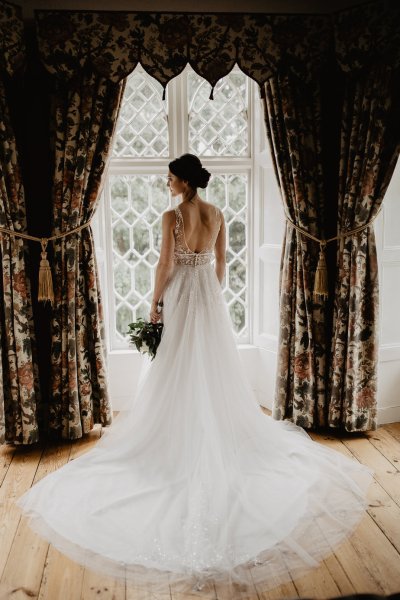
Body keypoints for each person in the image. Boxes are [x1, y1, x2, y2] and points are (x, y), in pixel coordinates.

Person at [16, 154, 373, 598]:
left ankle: (174, 437)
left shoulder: (172, 216)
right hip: (208, 296)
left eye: (169, 178)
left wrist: (154, 303)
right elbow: (222, 265)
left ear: (183, 180)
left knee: (174, 366)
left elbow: (164, 264)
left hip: (183, 293)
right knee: (210, 366)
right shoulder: (217, 213)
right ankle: (212, 430)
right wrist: (211, 295)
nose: (166, 184)